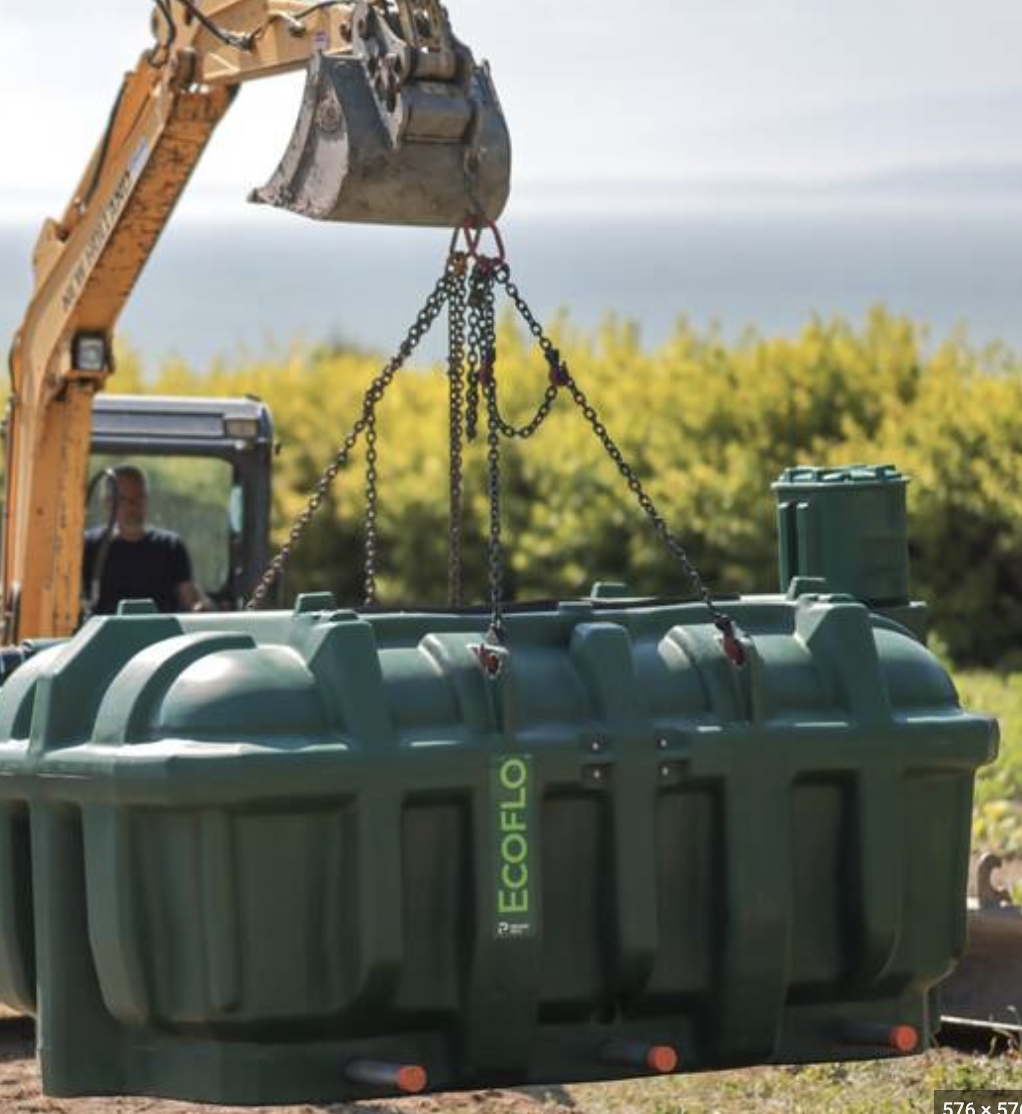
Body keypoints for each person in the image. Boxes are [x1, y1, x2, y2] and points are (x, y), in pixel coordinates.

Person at [82, 465, 212, 615]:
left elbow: (189, 600)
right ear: (107, 503)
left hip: (163, 634)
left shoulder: (170, 546)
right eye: (125, 499)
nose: (133, 506)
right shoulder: (89, 546)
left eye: (139, 498)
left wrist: (200, 607)